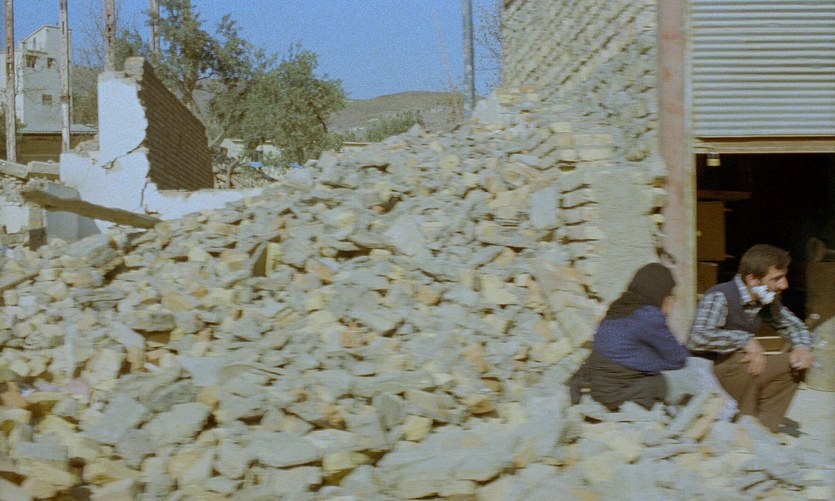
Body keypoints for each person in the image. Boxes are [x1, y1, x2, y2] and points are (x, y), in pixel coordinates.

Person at [687, 244, 814, 432]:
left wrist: (802, 347)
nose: (784, 285)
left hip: (735, 371)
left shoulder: (765, 299)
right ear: (752, 279)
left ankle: (763, 430)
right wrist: (743, 340)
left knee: (794, 365)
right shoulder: (720, 296)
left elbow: (794, 326)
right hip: (706, 375)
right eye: (776, 278)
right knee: (746, 359)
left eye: (783, 277)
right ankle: (741, 427)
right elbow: (697, 337)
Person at [569, 263, 689, 410]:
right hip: (616, 394)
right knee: (685, 375)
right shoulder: (647, 316)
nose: (671, 300)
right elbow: (678, 359)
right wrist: (665, 313)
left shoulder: (619, 308)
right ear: (661, 292)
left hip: (599, 386)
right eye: (670, 295)